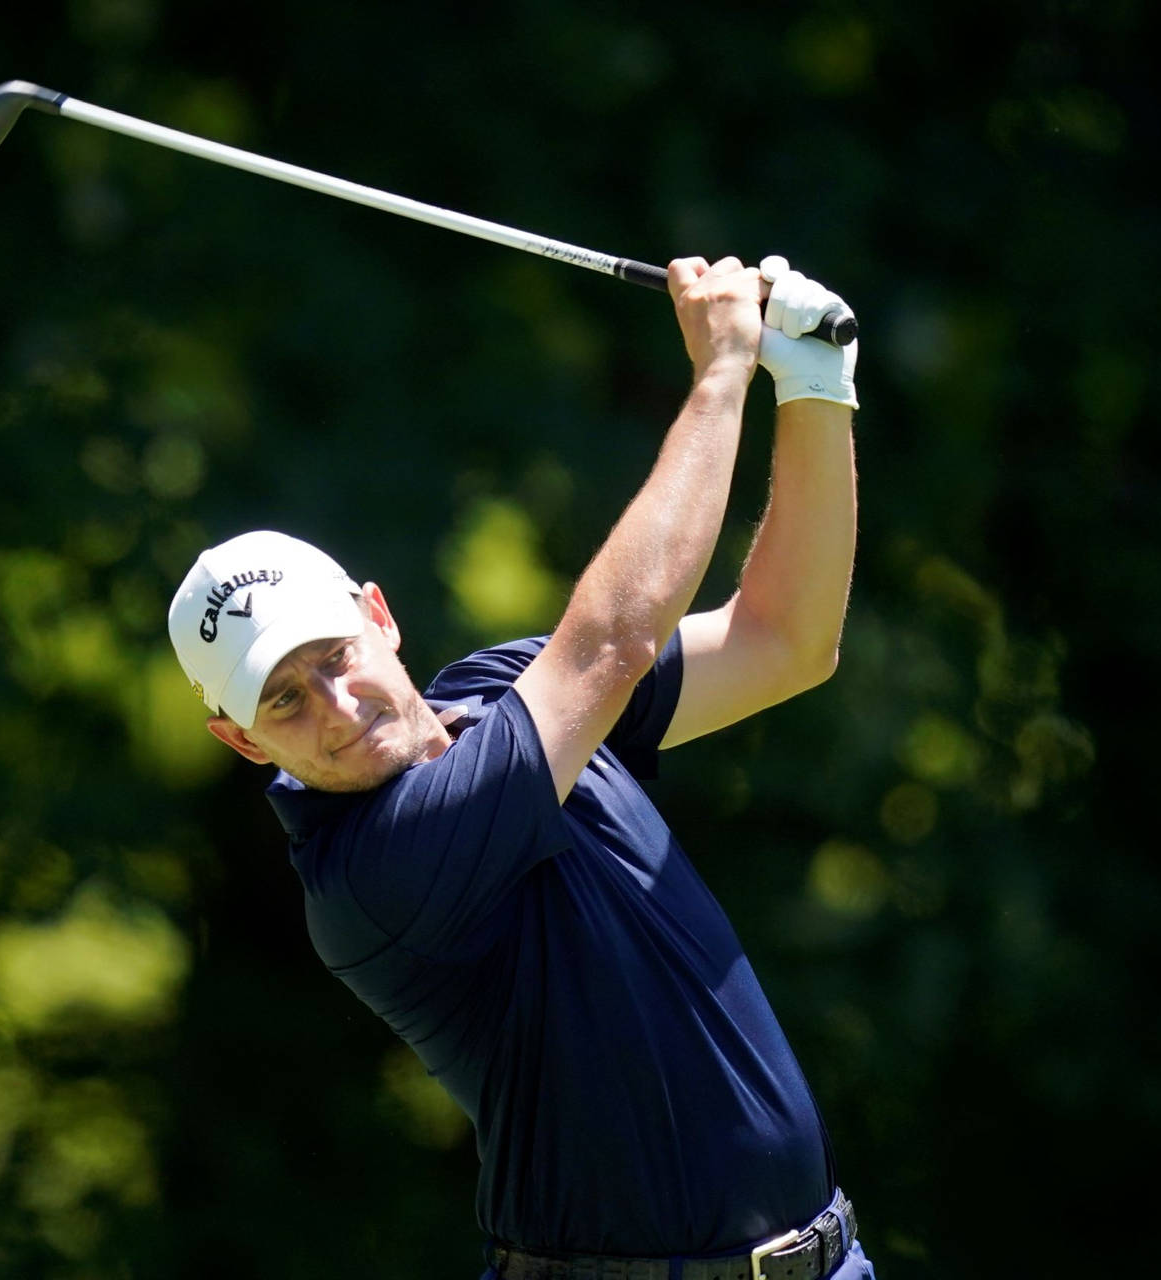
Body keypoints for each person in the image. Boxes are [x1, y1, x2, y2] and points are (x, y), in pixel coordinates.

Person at [169, 255, 873, 1280]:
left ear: (380, 615)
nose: (335, 704)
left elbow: (786, 639)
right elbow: (610, 644)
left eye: (333, 657)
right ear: (241, 740)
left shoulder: (505, 690)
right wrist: (723, 371)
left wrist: (813, 387)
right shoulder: (374, 871)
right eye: (282, 698)